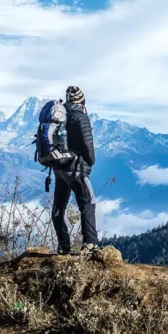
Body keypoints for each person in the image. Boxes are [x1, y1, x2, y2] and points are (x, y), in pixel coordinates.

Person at [51, 85, 98, 254]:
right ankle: (90, 243)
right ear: (82, 100)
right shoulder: (80, 117)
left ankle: (63, 246)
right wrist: (90, 161)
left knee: (59, 208)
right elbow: (88, 145)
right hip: (76, 168)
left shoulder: (59, 116)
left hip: (59, 168)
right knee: (88, 203)